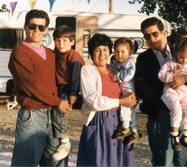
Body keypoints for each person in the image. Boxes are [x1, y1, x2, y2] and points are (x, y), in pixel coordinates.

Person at [135, 17, 187, 166]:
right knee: (162, 163)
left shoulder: (180, 49)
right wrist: (164, 100)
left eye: (155, 34)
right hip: (159, 115)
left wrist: (184, 79)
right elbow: (141, 86)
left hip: (185, 113)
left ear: (163, 32)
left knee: (186, 162)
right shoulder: (143, 58)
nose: (151, 39)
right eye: (147, 36)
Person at [8, 9, 71, 167]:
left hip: (54, 115)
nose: (36, 30)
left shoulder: (51, 54)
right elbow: (31, 85)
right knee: (25, 164)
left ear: (46, 30)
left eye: (41, 27)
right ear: (25, 27)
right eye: (32, 26)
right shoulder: (19, 52)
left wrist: (70, 96)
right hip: (32, 116)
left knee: (56, 163)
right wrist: (58, 102)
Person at [76, 33, 137, 167]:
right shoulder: (88, 70)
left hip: (120, 123)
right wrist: (121, 102)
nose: (102, 54)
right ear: (92, 53)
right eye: (97, 50)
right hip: (99, 121)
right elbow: (92, 101)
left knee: (120, 162)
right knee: (99, 162)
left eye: (105, 49)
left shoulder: (115, 70)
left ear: (110, 51)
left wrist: (132, 97)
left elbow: (127, 88)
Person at [51, 25, 85, 160]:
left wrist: (73, 94)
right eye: (58, 40)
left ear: (72, 42)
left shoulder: (73, 55)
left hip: (66, 89)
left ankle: (65, 142)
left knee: (58, 115)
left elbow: (76, 76)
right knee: (54, 114)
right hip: (57, 88)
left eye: (65, 40)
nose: (61, 43)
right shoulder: (57, 54)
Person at [112, 37, 142, 144]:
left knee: (125, 106)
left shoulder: (130, 63)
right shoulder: (115, 63)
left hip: (129, 88)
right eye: (117, 51)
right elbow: (111, 70)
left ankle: (125, 127)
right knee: (131, 111)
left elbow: (128, 76)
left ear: (129, 52)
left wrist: (116, 77)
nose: (119, 54)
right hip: (122, 89)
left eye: (123, 51)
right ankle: (135, 130)